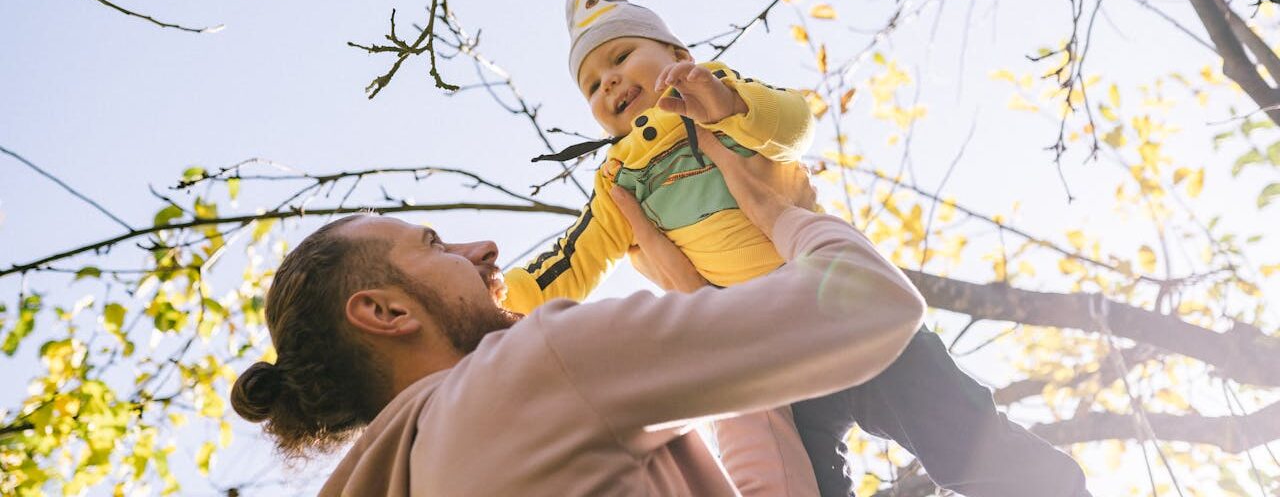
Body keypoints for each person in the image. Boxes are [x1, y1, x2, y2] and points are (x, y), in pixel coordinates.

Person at [497, 0, 1092, 496]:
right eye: (592, 86)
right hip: (769, 350)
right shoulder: (617, 180)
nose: (609, 83)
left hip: (833, 301)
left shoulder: (719, 94)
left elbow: (795, 124)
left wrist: (727, 105)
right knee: (804, 483)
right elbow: (571, 263)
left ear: (677, 54)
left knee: (958, 438)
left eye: (621, 57)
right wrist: (497, 295)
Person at [229, 136, 927, 496]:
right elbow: (870, 303)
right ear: (384, 311)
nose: (484, 248)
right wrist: (783, 213)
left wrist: (695, 298)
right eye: (435, 245)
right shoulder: (534, 366)